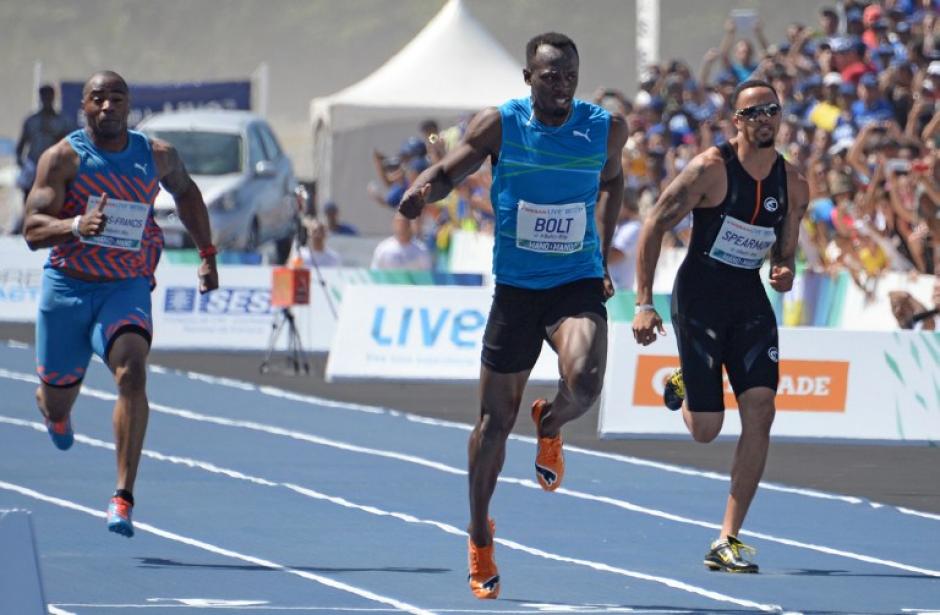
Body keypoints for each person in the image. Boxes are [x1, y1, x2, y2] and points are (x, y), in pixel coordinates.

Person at [397, 32, 627, 599]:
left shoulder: (604, 127)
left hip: (574, 282)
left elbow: (614, 178)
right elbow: (450, 171)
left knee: (589, 381)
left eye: (570, 74)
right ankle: (479, 536)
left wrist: (603, 243)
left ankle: (550, 422)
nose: (562, 85)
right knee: (492, 424)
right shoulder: (501, 124)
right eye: (550, 75)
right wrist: (422, 191)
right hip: (518, 292)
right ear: (529, 78)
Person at [22, 71, 219, 538]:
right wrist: (74, 226)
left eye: (116, 98)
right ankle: (54, 410)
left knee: (132, 370)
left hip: (124, 286)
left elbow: (187, 194)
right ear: (84, 108)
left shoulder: (156, 155)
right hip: (68, 288)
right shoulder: (63, 158)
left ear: (129, 106)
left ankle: (122, 495)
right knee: (55, 401)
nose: (107, 106)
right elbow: (31, 229)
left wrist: (207, 255)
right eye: (97, 99)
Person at [632, 80, 808, 573]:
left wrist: (784, 271)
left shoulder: (793, 184)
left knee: (761, 408)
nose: (764, 119)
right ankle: (687, 381)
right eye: (753, 112)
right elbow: (654, 225)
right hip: (700, 302)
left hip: (749, 305)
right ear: (737, 121)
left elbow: (786, 256)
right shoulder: (709, 170)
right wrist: (644, 303)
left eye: (771, 110)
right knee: (706, 430)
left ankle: (727, 537)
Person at [16, 85, 73, 223]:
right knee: (28, 193)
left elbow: (69, 145)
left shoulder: (62, 121)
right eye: (44, 96)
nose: (47, 99)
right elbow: (22, 144)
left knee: (54, 194)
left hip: (53, 166)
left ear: (54, 97)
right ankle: (29, 220)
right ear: (40, 97)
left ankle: (49, 223)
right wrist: (21, 163)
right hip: (32, 164)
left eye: (49, 96)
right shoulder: (31, 120)